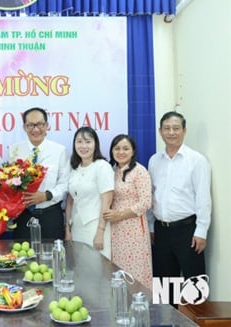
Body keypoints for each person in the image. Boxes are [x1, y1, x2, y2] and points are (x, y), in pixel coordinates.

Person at [148, 112, 211, 294]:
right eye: (167, 128)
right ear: (160, 131)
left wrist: (201, 231)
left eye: (176, 128)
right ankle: (167, 322)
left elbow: (203, 199)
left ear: (184, 131)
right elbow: (152, 197)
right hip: (161, 231)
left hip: (188, 231)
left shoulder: (197, 160)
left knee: (195, 284)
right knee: (165, 286)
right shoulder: (154, 160)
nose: (171, 132)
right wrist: (152, 227)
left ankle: (194, 323)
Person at [9, 107, 70, 240]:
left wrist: (46, 195)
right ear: (24, 127)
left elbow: (65, 184)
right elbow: (10, 183)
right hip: (23, 216)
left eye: (40, 124)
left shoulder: (60, 151)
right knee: (24, 257)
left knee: (53, 258)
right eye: (30, 125)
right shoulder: (14, 150)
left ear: (47, 126)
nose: (35, 129)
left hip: (50, 215)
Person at [103, 134, 152, 288]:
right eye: (117, 148)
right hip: (115, 229)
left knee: (136, 271)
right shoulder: (112, 170)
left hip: (134, 228)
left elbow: (146, 202)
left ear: (133, 151)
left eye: (125, 148)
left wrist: (120, 215)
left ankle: (139, 307)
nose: (121, 152)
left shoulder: (140, 171)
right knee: (118, 270)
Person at [65, 126, 114, 259]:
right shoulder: (74, 168)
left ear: (95, 144)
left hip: (95, 227)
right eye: (79, 141)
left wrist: (100, 232)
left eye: (88, 141)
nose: (83, 146)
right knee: (81, 272)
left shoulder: (102, 166)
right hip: (77, 227)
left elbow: (107, 201)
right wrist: (67, 229)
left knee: (97, 270)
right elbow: (70, 201)